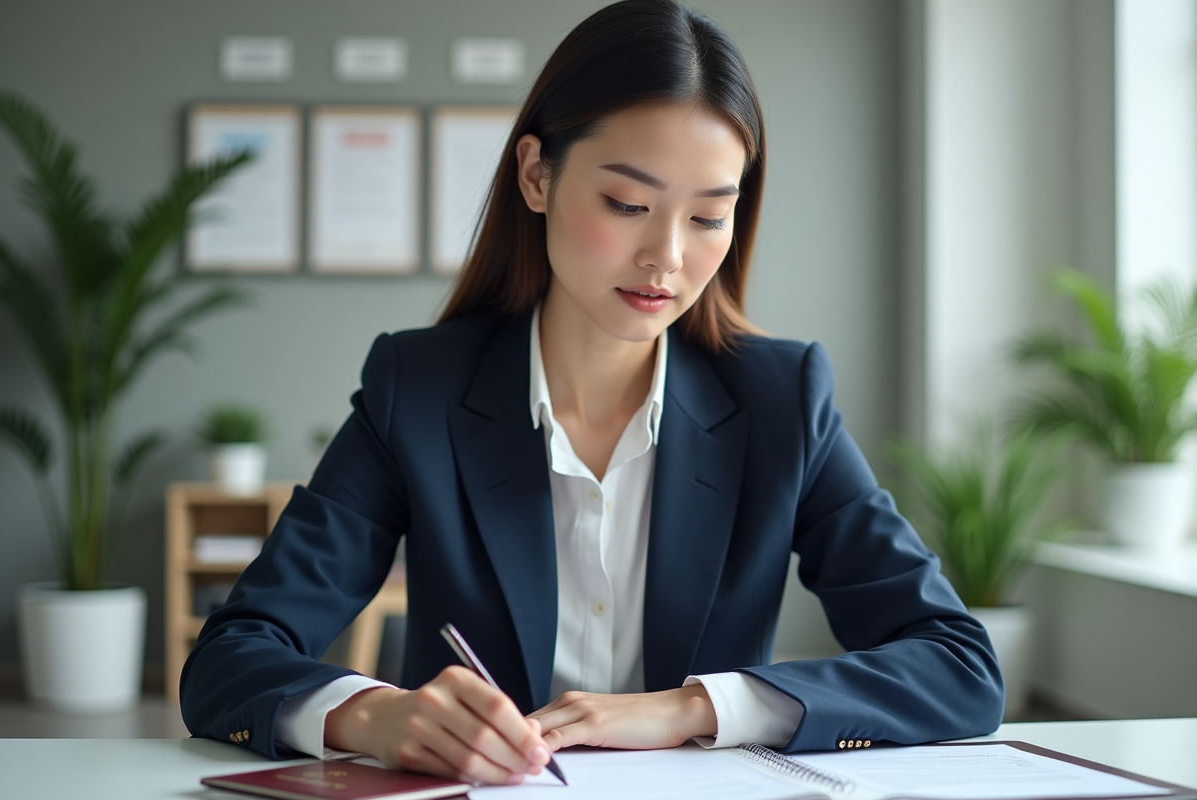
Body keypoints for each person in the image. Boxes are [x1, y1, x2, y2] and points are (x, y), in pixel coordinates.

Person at [180, 0, 1003, 786]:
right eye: (627, 203)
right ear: (536, 175)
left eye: (709, 217)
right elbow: (230, 656)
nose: (666, 257)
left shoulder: (783, 400)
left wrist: (692, 709)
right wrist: (372, 716)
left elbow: (957, 665)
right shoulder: (417, 389)